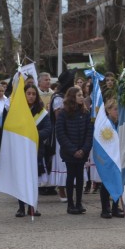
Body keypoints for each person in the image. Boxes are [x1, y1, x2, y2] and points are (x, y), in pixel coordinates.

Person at [14, 83, 52, 218]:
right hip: (21, 149)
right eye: (28, 93)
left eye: (33, 94)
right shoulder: (17, 110)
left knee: (33, 179)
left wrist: (34, 135)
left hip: (36, 149)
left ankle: (32, 206)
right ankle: (20, 207)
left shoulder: (41, 112)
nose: (31, 96)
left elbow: (47, 129)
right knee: (21, 179)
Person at [56, 86, 94, 215]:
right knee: (71, 176)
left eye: (82, 95)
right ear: (72, 97)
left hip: (82, 151)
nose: (82, 97)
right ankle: (70, 204)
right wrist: (73, 150)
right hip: (69, 153)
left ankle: (79, 203)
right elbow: (61, 134)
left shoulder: (86, 113)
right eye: (79, 95)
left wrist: (84, 149)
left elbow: (89, 133)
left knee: (80, 177)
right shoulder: (63, 113)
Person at [48, 69, 75, 201]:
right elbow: (60, 118)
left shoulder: (69, 95)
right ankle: (62, 188)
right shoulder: (58, 98)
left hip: (72, 132)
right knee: (61, 160)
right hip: (62, 133)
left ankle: (69, 187)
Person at [99, 98, 124, 219]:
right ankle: (105, 208)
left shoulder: (119, 122)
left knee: (117, 182)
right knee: (106, 183)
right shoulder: (105, 124)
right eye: (115, 109)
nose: (117, 111)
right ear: (108, 110)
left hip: (117, 156)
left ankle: (115, 207)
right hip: (108, 157)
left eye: (118, 109)